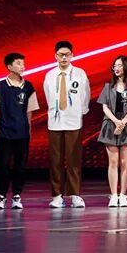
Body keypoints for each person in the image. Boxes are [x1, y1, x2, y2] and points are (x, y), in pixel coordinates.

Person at [43, 40, 91, 208]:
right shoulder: (50, 75)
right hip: (55, 122)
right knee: (55, 161)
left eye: (67, 55)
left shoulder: (80, 74)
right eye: (61, 55)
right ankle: (57, 196)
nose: (64, 58)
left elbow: (85, 95)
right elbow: (48, 96)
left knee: (73, 160)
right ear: (55, 56)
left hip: (73, 122)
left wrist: (79, 112)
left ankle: (75, 195)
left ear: (72, 56)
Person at [0, 52, 39, 210]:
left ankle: (17, 196)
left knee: (20, 166)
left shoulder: (28, 86)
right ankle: (1, 197)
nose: (22, 66)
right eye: (18, 63)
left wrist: (28, 129)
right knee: (2, 165)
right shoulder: (0, 86)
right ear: (9, 66)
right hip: (4, 133)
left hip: (22, 133)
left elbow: (29, 111)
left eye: (23, 63)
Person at [97, 55, 127, 208]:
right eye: (115, 66)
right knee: (113, 162)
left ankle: (123, 195)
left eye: (120, 66)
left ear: (126, 67)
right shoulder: (107, 87)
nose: (116, 68)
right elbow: (104, 107)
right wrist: (116, 122)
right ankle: (113, 195)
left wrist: (123, 122)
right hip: (110, 125)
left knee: (124, 162)